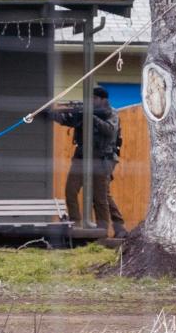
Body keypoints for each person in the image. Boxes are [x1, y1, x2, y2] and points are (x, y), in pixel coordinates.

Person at [54, 86, 127, 237]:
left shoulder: (111, 113)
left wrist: (90, 117)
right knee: (71, 190)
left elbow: (109, 130)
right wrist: (53, 114)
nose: (90, 101)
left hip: (102, 158)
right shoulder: (85, 111)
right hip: (82, 157)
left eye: (94, 98)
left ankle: (103, 231)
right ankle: (75, 225)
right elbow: (68, 121)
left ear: (103, 100)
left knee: (100, 197)